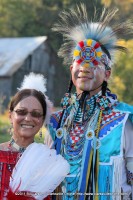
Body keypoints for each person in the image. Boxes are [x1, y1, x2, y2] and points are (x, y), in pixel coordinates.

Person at [47, 3, 133, 200]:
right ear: (71, 70)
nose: (85, 68)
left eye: (95, 62)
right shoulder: (55, 122)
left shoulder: (124, 120)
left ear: (107, 74)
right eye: (79, 61)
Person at [0, 73, 70, 200]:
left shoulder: (50, 162)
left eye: (36, 114)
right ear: (10, 116)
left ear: (42, 120)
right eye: (21, 112)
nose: (28, 118)